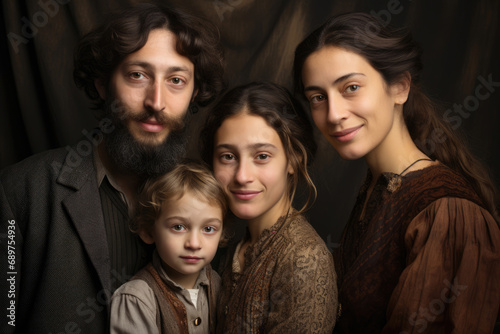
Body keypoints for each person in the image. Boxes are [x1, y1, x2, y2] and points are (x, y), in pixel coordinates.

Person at [0, 3, 224, 333]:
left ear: (193, 94)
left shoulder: (212, 198)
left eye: (176, 80)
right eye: (137, 75)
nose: (156, 101)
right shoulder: (20, 190)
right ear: (104, 84)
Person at [294, 12, 500, 333]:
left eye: (350, 87)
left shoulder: (447, 211)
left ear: (400, 87)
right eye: (318, 97)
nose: (333, 114)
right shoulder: (378, 187)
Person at [200, 81, 338, 333]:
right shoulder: (232, 245)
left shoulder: (304, 259)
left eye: (261, 156)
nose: (242, 176)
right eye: (228, 157)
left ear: (293, 159)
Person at [110, 162, 228, 333]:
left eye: (208, 229)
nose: (194, 243)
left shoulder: (218, 284)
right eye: (178, 227)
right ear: (148, 231)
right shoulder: (137, 299)